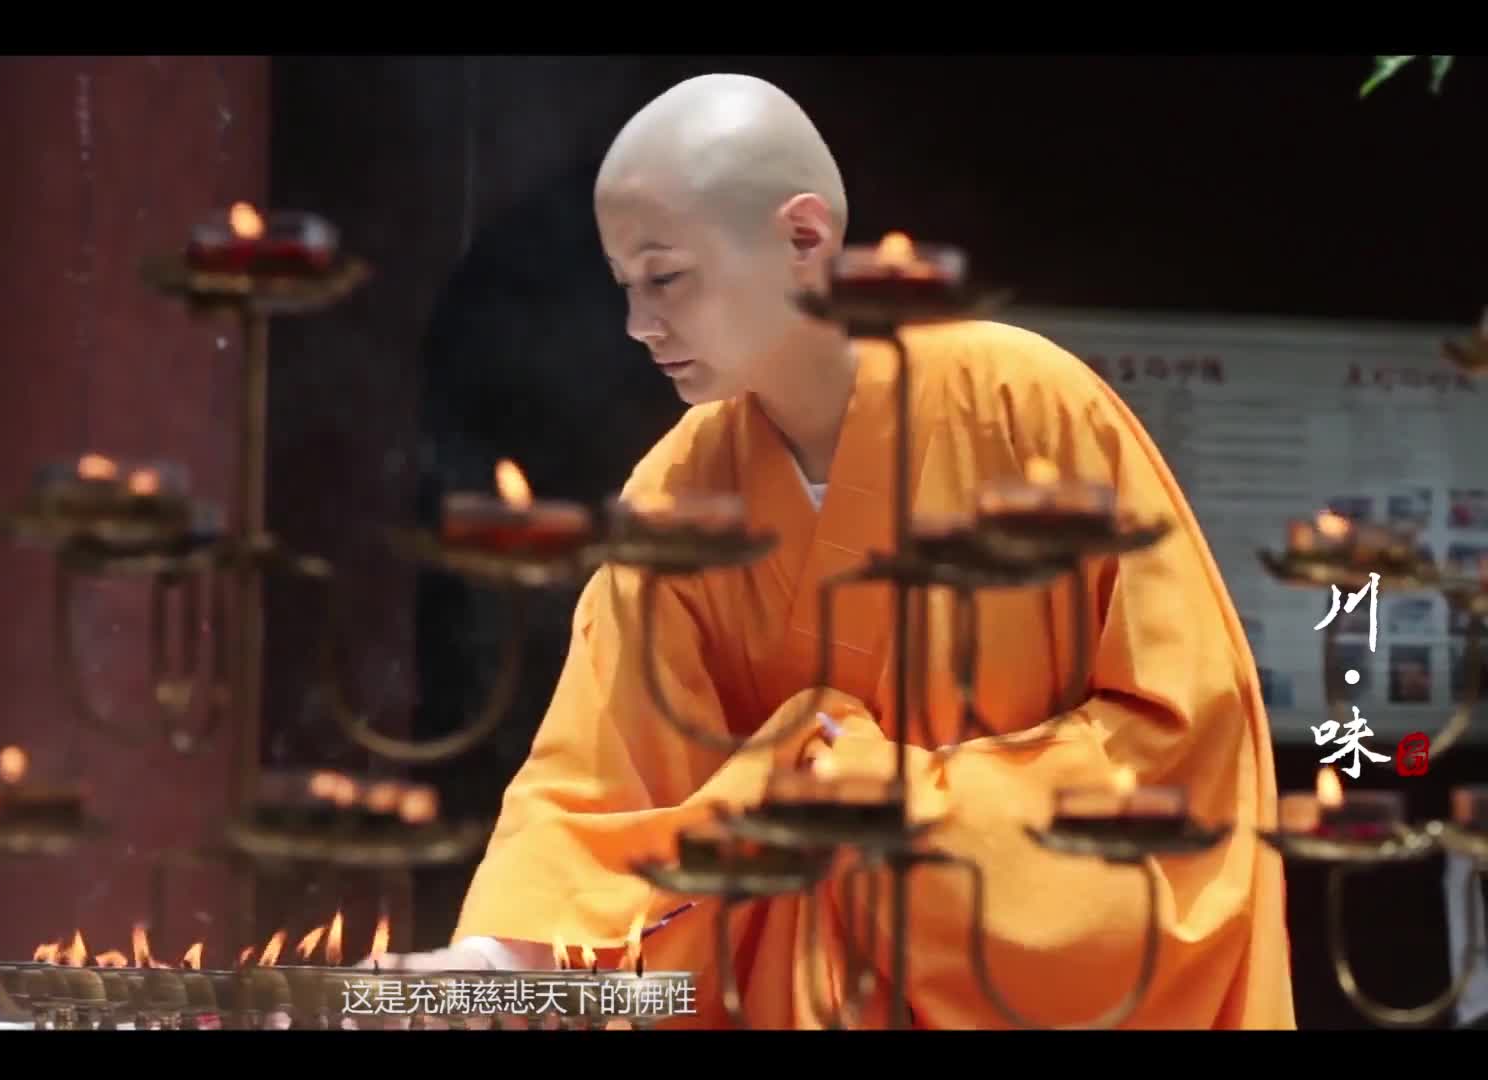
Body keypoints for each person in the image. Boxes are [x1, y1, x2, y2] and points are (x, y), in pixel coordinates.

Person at [374, 72, 1297, 1029]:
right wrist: (491, 962)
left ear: (804, 238)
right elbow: (599, 780)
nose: (640, 324)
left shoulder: (1025, 409)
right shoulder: (680, 493)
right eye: (625, 287)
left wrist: (885, 804)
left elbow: (1186, 749)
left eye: (668, 277)